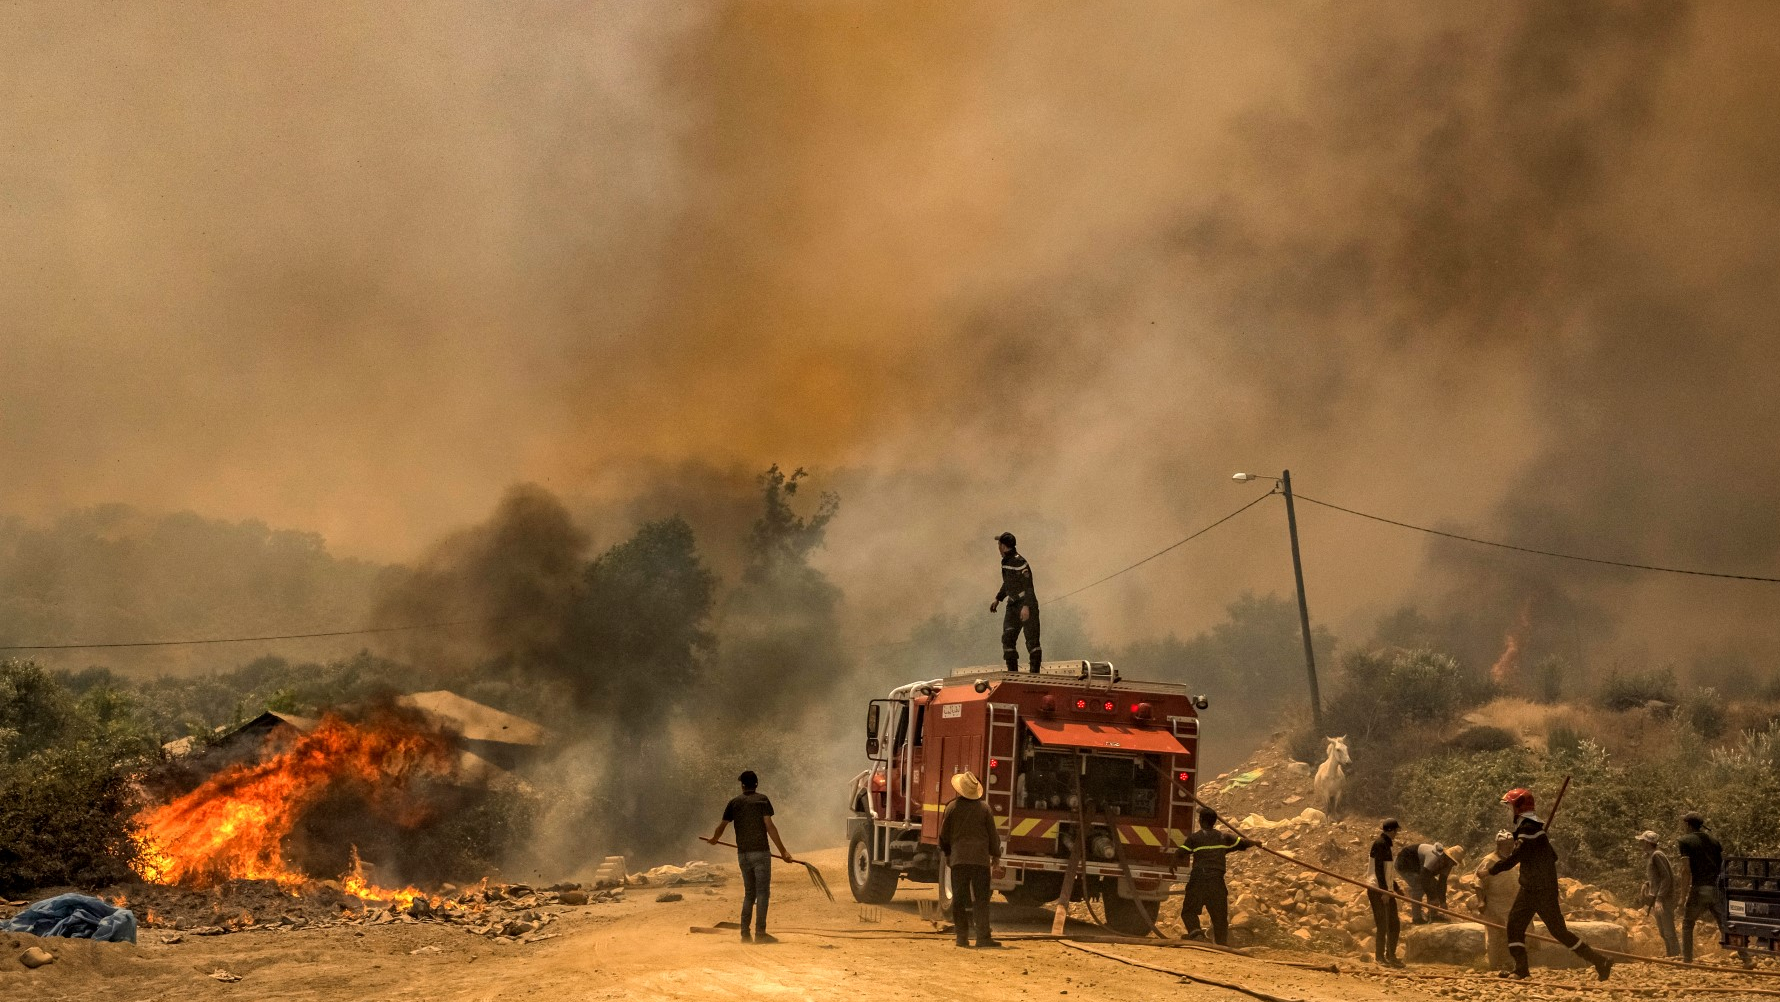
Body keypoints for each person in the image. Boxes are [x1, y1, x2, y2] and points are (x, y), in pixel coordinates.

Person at [1488, 788, 1613, 981]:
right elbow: (1552, 856)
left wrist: (1491, 870)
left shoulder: (1528, 830)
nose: (1508, 811)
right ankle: (1599, 961)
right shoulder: (1534, 830)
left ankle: (1521, 970)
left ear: (1519, 808)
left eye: (1510, 806)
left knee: (1514, 925)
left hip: (1533, 889)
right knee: (1558, 931)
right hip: (1544, 887)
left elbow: (1514, 859)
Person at [704, 770, 793, 944]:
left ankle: (745, 934)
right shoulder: (762, 800)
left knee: (749, 894)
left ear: (742, 785)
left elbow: (721, 826)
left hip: (743, 855)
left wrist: (715, 839)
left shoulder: (734, 803)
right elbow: (770, 826)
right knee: (763, 893)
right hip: (760, 853)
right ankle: (760, 933)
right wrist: (783, 851)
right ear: (756, 784)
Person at [1677, 812, 1753, 968]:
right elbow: (1721, 867)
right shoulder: (1714, 841)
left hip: (1699, 888)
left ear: (1689, 825)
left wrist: (1682, 897)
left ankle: (1687, 961)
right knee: (1726, 925)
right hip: (1716, 889)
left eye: (1684, 824)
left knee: (1687, 924)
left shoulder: (1684, 841)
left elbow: (1686, 871)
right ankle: (1746, 958)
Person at [939, 771, 1003, 948]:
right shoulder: (985, 809)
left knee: (959, 899)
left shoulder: (952, 807)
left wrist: (948, 854)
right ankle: (983, 937)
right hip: (980, 861)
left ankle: (962, 937)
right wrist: (996, 855)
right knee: (981, 899)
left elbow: (944, 836)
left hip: (959, 860)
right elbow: (992, 836)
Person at [1174, 807, 1255, 945]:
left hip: (1198, 881)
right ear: (1214, 822)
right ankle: (1222, 945)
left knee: (1188, 911)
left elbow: (1180, 853)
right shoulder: (1223, 837)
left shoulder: (1195, 838)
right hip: (1216, 883)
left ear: (1200, 821)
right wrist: (1255, 842)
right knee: (1220, 917)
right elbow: (1242, 844)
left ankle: (1196, 934)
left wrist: (1172, 864)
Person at [989, 532, 1041, 673]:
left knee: (1032, 642)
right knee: (1008, 638)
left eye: (999, 544)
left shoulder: (1020, 562)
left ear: (1004, 546)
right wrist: (998, 598)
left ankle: (1035, 676)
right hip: (1012, 605)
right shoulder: (1005, 562)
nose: (998, 547)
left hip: (1026, 604)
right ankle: (1013, 673)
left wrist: (1026, 607)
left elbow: (1029, 586)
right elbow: (1008, 583)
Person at [1474, 830, 1520, 974]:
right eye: (1505, 844)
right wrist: (1481, 901)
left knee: (1511, 934)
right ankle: (1492, 965)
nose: (1508, 847)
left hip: (1511, 904)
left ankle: (1510, 964)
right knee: (1493, 935)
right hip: (1493, 903)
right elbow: (1478, 882)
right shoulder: (1489, 860)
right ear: (1499, 845)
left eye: (1510, 844)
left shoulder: (1514, 860)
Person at [1634, 830, 1680, 958]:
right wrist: (1648, 883)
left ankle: (1676, 957)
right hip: (1658, 898)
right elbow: (1658, 878)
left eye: (1642, 841)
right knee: (1662, 931)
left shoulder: (1657, 855)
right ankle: (1670, 956)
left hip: (1664, 899)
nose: (1640, 844)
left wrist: (1659, 898)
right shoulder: (1652, 855)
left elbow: (1666, 878)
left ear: (1648, 843)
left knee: (1668, 930)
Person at [1367, 819, 1405, 968]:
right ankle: (1380, 957)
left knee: (1394, 923)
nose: (1396, 834)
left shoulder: (1386, 844)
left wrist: (1396, 888)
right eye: (1396, 831)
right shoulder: (1380, 844)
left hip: (1385, 889)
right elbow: (1378, 870)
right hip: (1377, 889)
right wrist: (1384, 891)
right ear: (1391, 830)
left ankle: (1391, 955)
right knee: (1383, 924)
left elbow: (1387, 871)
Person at [1396, 841, 1463, 923]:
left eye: (1455, 863)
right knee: (1418, 887)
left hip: (1419, 868)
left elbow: (1442, 882)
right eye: (1453, 861)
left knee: (1434, 885)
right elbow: (1424, 877)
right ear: (1448, 857)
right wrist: (1432, 897)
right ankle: (1416, 918)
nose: (1453, 864)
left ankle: (1433, 915)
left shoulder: (1448, 864)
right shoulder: (1434, 857)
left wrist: (1443, 901)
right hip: (1405, 863)